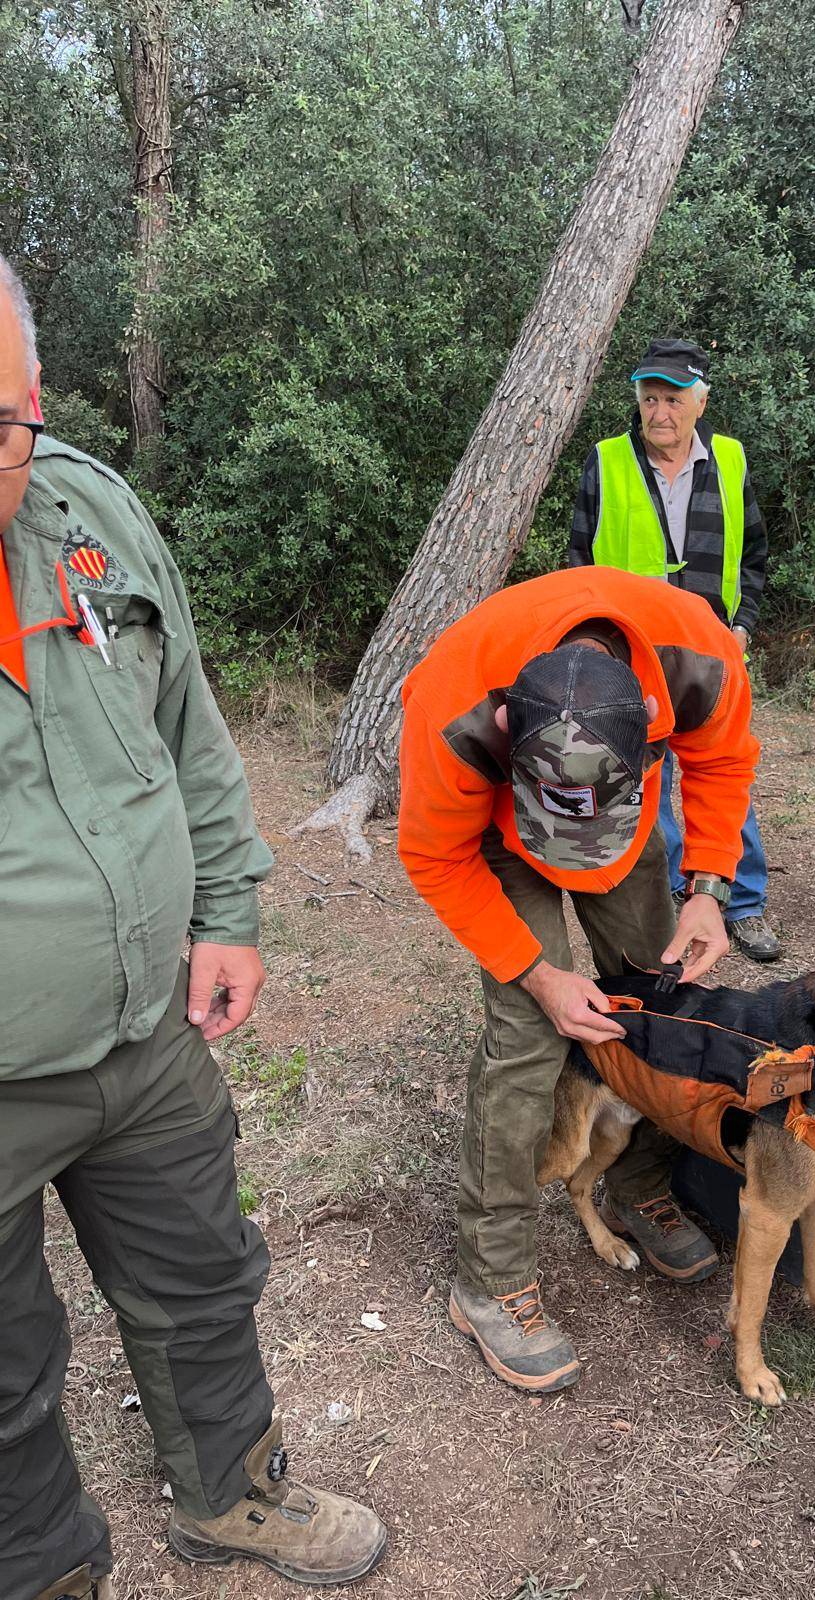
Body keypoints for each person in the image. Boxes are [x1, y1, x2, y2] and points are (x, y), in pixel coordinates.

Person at [0, 255, 386, 1600]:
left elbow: (188, 725)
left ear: (36, 403)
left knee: (204, 1280)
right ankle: (39, 1563)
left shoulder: (88, 511)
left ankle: (230, 1495)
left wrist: (227, 908)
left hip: (148, 1032)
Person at [397, 567, 758, 1392]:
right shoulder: (453, 706)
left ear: (647, 727)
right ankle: (488, 1279)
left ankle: (635, 1184)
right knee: (528, 1036)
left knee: (657, 997)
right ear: (502, 728)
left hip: (626, 837)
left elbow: (724, 763)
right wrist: (538, 974)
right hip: (495, 836)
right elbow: (431, 854)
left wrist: (709, 888)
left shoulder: (698, 658)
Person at [568, 336, 780, 962]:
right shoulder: (605, 461)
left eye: (673, 398)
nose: (660, 412)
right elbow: (579, 564)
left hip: (712, 653)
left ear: (701, 399)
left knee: (723, 771)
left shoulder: (732, 460)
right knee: (649, 784)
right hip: (630, 657)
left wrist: (741, 625)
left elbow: (757, 554)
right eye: (649, 398)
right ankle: (672, 901)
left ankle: (741, 904)